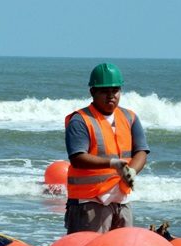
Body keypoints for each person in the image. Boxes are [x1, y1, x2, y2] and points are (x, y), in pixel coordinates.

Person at [64, 63, 150, 234]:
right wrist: (113, 164)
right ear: (92, 92)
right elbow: (77, 157)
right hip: (89, 201)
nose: (111, 95)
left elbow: (141, 151)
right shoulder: (80, 120)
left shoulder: (129, 117)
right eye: (104, 91)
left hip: (122, 199)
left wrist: (131, 171)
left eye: (115, 90)